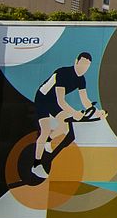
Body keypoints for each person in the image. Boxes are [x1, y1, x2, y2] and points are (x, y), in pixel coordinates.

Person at [30, 52, 106, 180]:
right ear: (76, 61)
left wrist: (98, 112)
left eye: (87, 66)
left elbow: (85, 100)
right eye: (82, 64)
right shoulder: (63, 73)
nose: (83, 68)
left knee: (65, 128)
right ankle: (36, 165)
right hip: (42, 99)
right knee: (45, 130)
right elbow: (61, 100)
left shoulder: (81, 79)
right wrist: (74, 113)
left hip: (53, 102)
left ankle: (49, 140)